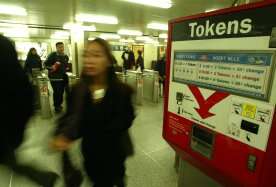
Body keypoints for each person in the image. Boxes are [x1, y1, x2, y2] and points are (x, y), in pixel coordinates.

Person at [51, 38, 135, 187]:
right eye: (86, 55)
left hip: (114, 156)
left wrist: (92, 124)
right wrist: (63, 134)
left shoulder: (122, 91)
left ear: (108, 61)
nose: (89, 60)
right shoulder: (78, 90)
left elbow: (126, 120)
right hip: (90, 155)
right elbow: (70, 116)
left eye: (96, 55)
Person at [0, 35, 58, 187]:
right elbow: (26, 100)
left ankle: (39, 176)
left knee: (7, 159)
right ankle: (40, 176)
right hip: (12, 129)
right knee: (8, 159)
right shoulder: (16, 72)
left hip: (7, 129)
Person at [44, 42, 69, 113]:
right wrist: (51, 67)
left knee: (61, 92)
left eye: (62, 47)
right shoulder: (53, 55)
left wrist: (66, 68)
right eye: (60, 47)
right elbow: (45, 64)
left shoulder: (65, 56)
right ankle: (56, 106)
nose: (62, 48)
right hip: (54, 78)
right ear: (57, 48)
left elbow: (65, 65)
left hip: (62, 77)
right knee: (57, 91)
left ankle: (59, 104)